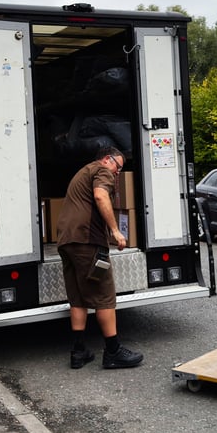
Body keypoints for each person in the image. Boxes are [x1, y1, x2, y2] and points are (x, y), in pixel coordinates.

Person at [57, 146, 144, 370]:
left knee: (77, 297)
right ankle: (113, 351)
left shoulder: (83, 171)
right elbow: (100, 195)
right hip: (87, 240)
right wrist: (115, 230)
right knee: (104, 295)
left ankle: (78, 352)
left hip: (67, 241)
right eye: (118, 167)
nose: (117, 173)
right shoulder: (101, 170)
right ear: (107, 159)